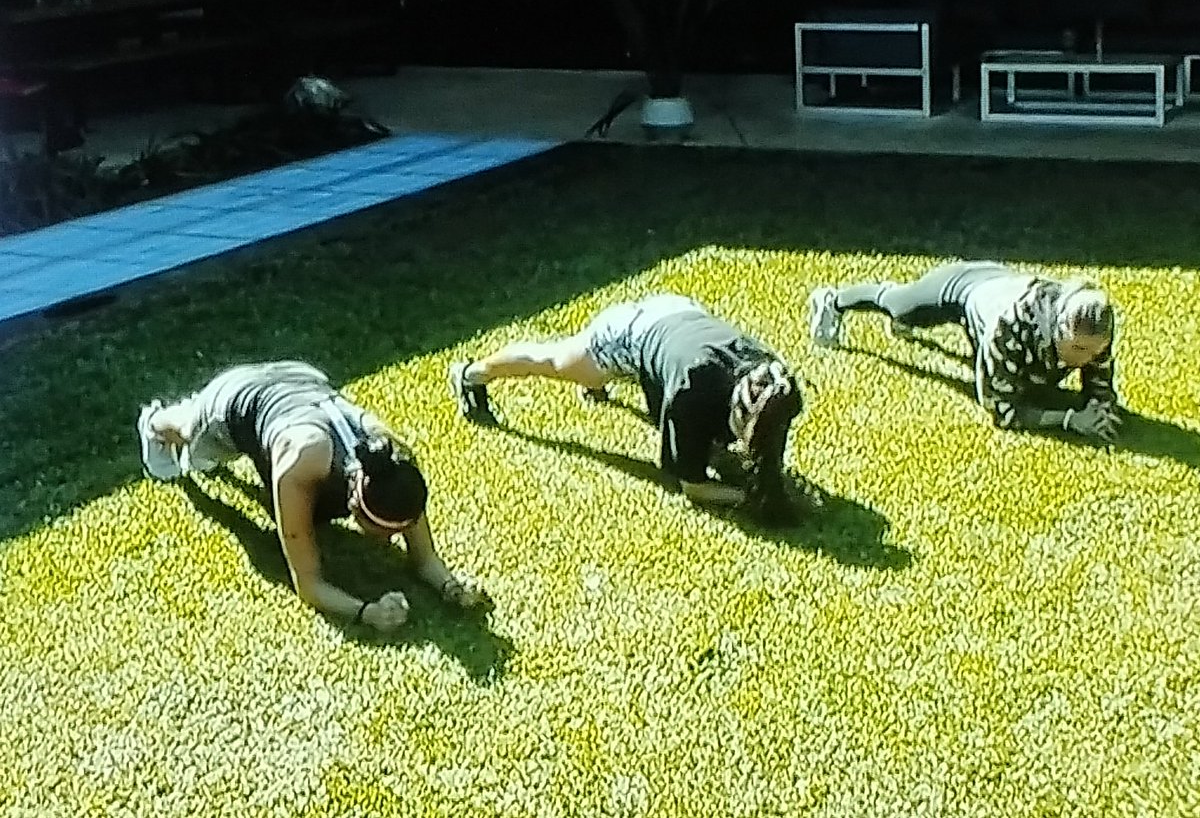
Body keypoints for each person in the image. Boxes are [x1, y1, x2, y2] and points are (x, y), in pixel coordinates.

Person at [135, 360, 489, 632]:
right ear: (354, 503)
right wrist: (366, 612)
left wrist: (450, 586)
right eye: (384, 532)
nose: (395, 538)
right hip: (234, 398)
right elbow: (308, 582)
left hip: (304, 379)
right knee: (188, 431)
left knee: (308, 509)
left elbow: (425, 559)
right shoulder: (298, 465)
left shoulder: (395, 465)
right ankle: (154, 422)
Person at [448, 293, 806, 514]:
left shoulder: (773, 379)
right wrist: (749, 497)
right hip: (628, 333)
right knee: (551, 361)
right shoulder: (689, 394)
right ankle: (472, 374)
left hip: (682, 314)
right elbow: (692, 487)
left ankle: (600, 386)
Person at [807, 260, 1121, 441]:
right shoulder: (1010, 325)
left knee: (1021, 375)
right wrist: (1068, 419)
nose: (1084, 360)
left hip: (997, 291)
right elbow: (1002, 410)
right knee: (899, 306)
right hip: (963, 286)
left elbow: (1100, 382)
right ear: (1059, 329)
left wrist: (1100, 408)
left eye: (1094, 352)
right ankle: (833, 299)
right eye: (1078, 349)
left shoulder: (1095, 326)